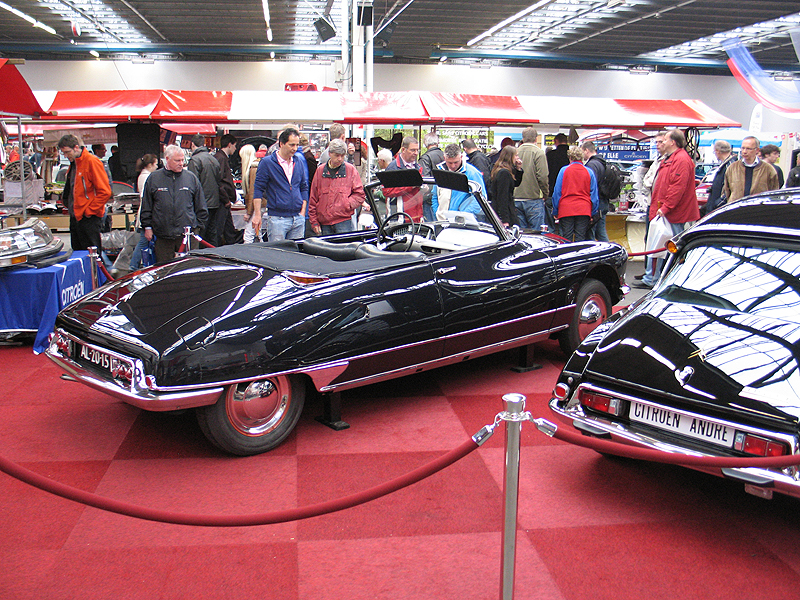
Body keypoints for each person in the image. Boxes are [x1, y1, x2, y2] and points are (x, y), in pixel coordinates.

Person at [635, 129, 699, 289]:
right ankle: (656, 277)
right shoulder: (672, 158)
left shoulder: (680, 160)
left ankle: (656, 278)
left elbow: (677, 187)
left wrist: (666, 207)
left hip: (672, 213)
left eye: (664, 140)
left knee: (667, 246)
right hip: (666, 210)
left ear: (673, 142)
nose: (662, 143)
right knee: (663, 245)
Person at [140, 145, 208, 264]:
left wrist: (197, 227)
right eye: (177, 160)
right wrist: (148, 227)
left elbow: (201, 205)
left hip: (187, 235)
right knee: (164, 268)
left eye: (182, 160)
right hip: (163, 234)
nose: (181, 163)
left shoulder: (191, 178)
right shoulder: (154, 178)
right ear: (167, 159)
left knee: (189, 267)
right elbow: (147, 205)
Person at [57, 134, 113, 253]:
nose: (66, 156)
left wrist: (89, 211)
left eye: (67, 152)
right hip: (77, 215)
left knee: (91, 253)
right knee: (80, 252)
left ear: (76, 147)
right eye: (64, 153)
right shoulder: (75, 163)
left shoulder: (91, 162)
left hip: (88, 217)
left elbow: (105, 192)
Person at [253, 127, 309, 242]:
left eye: (297, 145)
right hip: (277, 218)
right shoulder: (267, 163)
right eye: (291, 145)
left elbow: (303, 187)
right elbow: (258, 189)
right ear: (281, 144)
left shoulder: (298, 161)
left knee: (296, 251)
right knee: (277, 251)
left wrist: (302, 211)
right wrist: (257, 214)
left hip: (297, 217)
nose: (295, 148)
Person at [308, 139, 366, 236]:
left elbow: (360, 194)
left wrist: (346, 204)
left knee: (344, 245)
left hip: (343, 221)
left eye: (342, 156)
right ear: (330, 154)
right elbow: (313, 198)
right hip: (324, 222)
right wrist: (314, 221)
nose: (340, 159)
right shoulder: (320, 171)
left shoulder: (351, 170)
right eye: (337, 155)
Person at [552, 146, 599, 242]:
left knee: (566, 237)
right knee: (580, 238)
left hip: (566, 209)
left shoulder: (563, 171)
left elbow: (557, 192)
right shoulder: (589, 172)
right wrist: (593, 212)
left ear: (570, 157)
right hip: (584, 209)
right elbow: (594, 196)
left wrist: (556, 210)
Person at [432, 143, 487, 220]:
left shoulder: (473, 173)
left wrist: (463, 215)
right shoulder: (440, 172)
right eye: (450, 163)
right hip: (442, 220)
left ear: (461, 157)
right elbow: (435, 195)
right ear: (444, 158)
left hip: (463, 221)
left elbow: (481, 198)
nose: (453, 166)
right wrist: (437, 212)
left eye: (456, 162)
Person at [722, 135, 779, 204]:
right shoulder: (733, 168)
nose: (744, 151)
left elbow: (773, 192)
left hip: (758, 208)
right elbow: (727, 191)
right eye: (743, 148)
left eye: (748, 149)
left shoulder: (768, 169)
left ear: (757, 150)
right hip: (737, 208)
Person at [188, 134, 222, 246]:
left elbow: (192, 183)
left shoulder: (195, 160)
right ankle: (213, 254)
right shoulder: (213, 159)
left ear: (192, 145)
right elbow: (219, 180)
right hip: (214, 202)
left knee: (199, 235)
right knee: (211, 234)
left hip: (201, 203)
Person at [513, 127, 549, 230]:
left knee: (520, 232)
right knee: (536, 233)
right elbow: (542, 176)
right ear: (536, 139)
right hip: (534, 198)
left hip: (516, 197)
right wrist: (545, 194)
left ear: (523, 138)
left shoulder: (515, 152)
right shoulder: (539, 153)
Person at [129, 154, 159, 271]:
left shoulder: (143, 175)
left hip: (143, 212)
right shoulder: (147, 177)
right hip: (145, 213)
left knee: (144, 241)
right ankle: (133, 265)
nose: (157, 167)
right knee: (143, 241)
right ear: (150, 164)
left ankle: (135, 264)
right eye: (155, 164)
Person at [384, 135, 424, 220]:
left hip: (416, 216)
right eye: (412, 150)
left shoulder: (418, 167)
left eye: (417, 150)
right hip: (399, 217)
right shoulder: (393, 168)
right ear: (403, 150)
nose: (416, 153)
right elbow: (387, 191)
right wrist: (410, 185)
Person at [214, 133, 243, 246]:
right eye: (235, 146)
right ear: (230, 145)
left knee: (229, 229)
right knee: (222, 229)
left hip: (224, 200)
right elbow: (219, 180)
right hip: (222, 201)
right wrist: (226, 199)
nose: (235, 149)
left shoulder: (220, 157)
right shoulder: (221, 158)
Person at [580, 141, 610, 242]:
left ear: (586, 150)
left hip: (596, 203)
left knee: (591, 233)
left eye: (582, 152)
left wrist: (592, 207)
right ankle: (608, 249)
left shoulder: (591, 165)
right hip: (604, 201)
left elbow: (591, 187)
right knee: (600, 232)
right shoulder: (602, 162)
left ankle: (598, 250)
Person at [489, 145, 523, 227]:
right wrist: (504, 220)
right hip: (505, 211)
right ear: (510, 157)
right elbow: (502, 197)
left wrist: (518, 169)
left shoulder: (501, 170)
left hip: (504, 209)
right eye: (516, 155)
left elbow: (516, 183)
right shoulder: (504, 173)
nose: (517, 158)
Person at [700, 139, 735, 216]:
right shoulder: (726, 164)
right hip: (715, 206)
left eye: (714, 152)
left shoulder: (730, 166)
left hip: (719, 210)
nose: (715, 154)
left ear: (718, 151)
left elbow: (731, 189)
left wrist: (717, 204)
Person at [238, 144, 263, 243]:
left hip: (257, 204)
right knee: (257, 231)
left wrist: (249, 213)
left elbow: (253, 192)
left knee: (249, 234)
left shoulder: (253, 169)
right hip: (261, 204)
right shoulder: (256, 167)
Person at [546, 133, 570, 199]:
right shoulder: (571, 155)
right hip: (569, 189)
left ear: (556, 141)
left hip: (553, 188)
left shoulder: (550, 155)